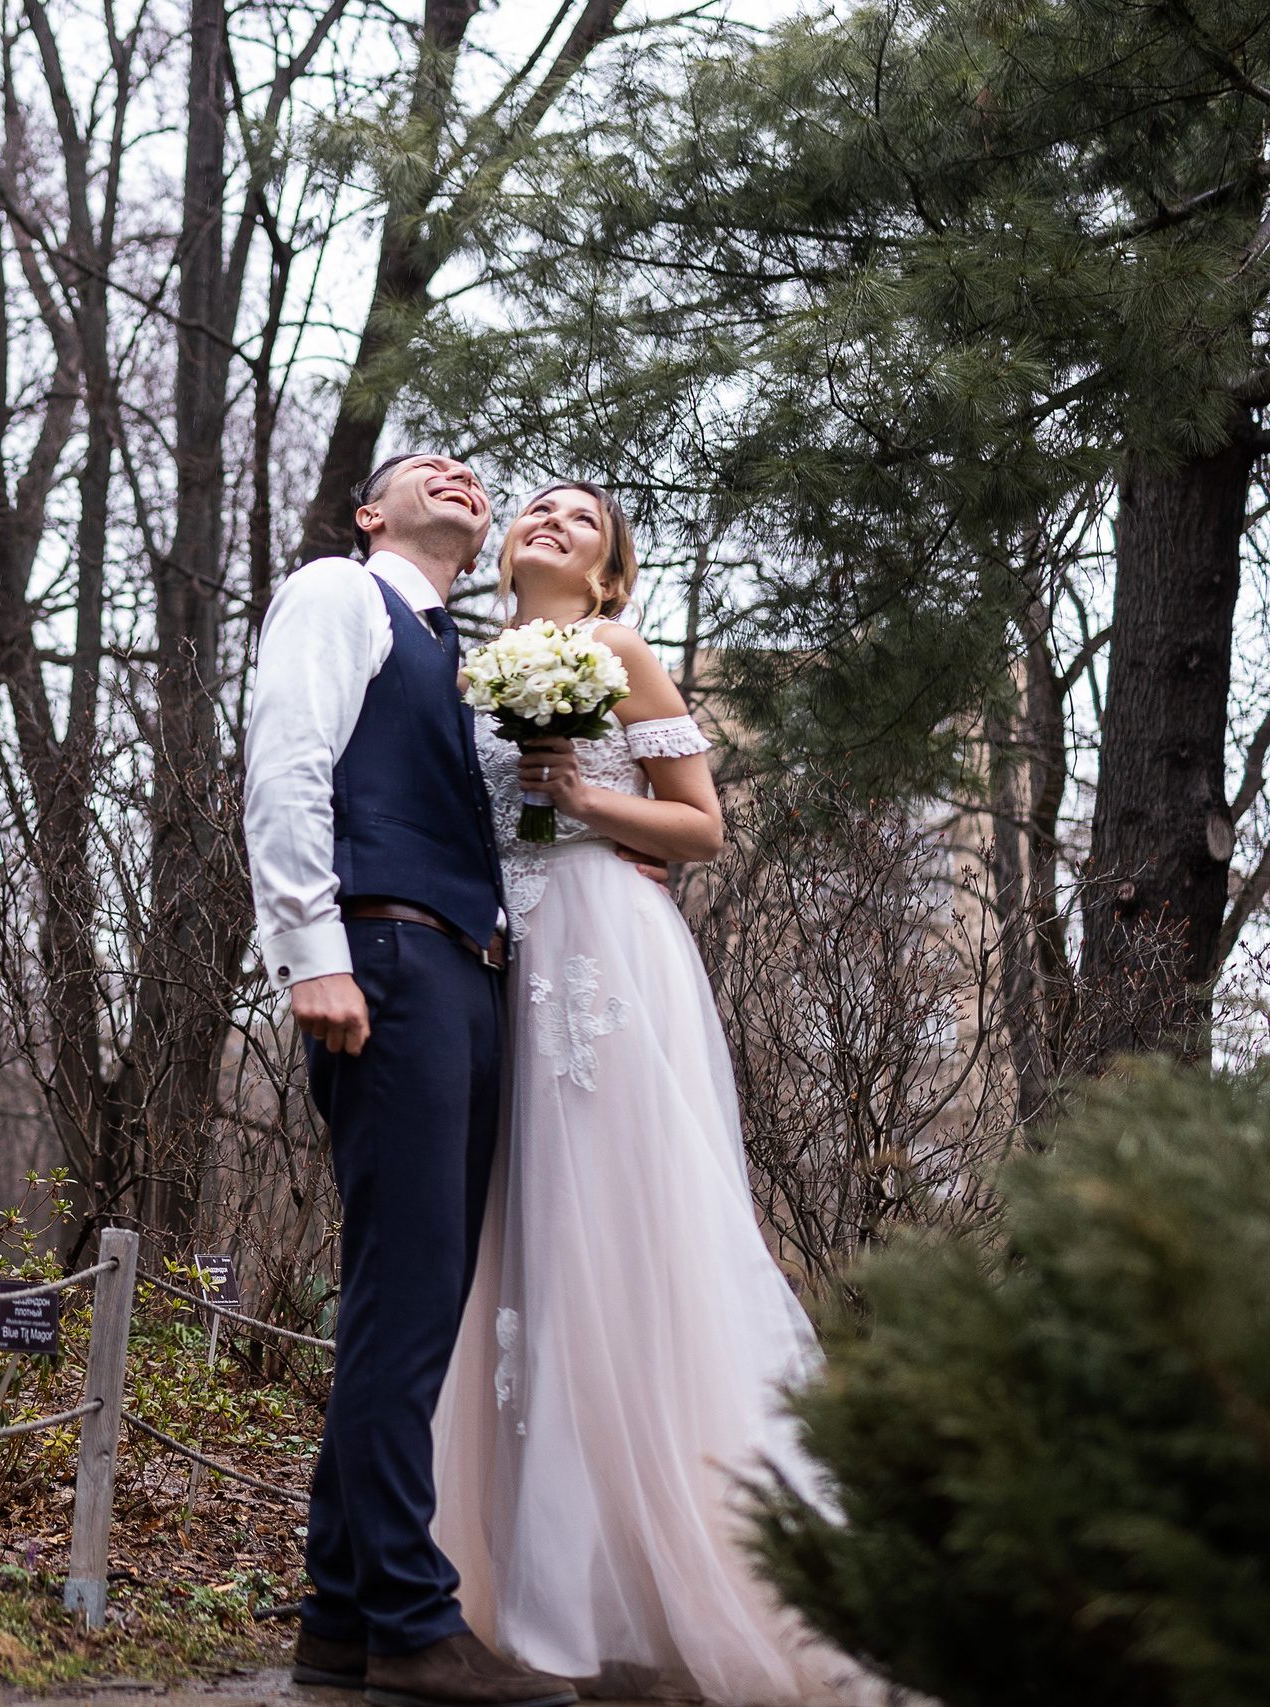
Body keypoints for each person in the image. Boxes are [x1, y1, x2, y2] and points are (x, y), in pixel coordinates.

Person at [429, 482, 875, 1705]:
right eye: (535, 509)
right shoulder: (468, 673)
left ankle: (666, 1580)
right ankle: (519, 1590)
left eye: (583, 519)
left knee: (619, 1231)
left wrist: (575, 796)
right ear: (503, 551)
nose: (551, 521)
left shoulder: (616, 653)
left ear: (611, 575)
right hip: (503, 965)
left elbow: (703, 827)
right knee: (515, 1245)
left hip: (607, 959)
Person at [243, 452, 578, 1707]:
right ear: (371, 514)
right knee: (402, 1288)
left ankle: (337, 1616)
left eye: (476, 472)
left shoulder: (471, 660)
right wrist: (309, 951)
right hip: (385, 953)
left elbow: (506, 823)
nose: (464, 474)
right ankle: (408, 1617)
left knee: (422, 1293)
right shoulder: (340, 591)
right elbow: (286, 761)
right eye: (424, 468)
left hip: (470, 971)